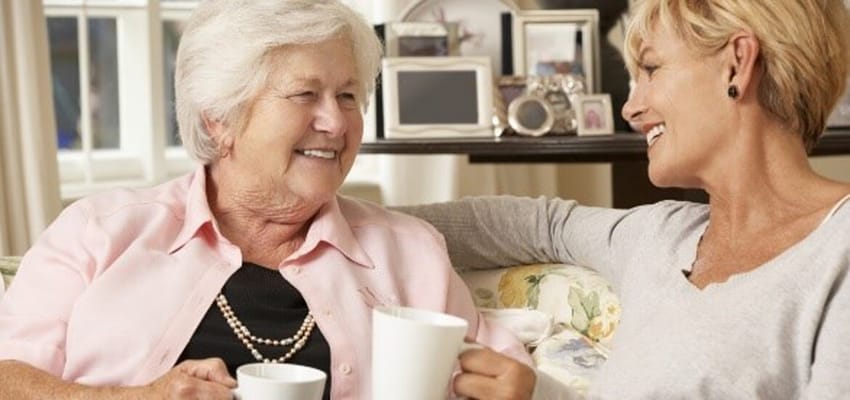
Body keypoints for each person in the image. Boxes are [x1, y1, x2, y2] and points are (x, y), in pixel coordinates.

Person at [0, 1, 534, 399]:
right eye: (305, 95)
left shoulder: (410, 252)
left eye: (348, 96)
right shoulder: (100, 232)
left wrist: (519, 387)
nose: (335, 122)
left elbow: (493, 367)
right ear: (220, 118)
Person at [404, 0, 850, 398]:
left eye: (652, 69)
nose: (629, 107)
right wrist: (351, 221)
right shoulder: (659, 236)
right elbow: (537, 224)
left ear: (736, 64)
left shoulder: (838, 251)